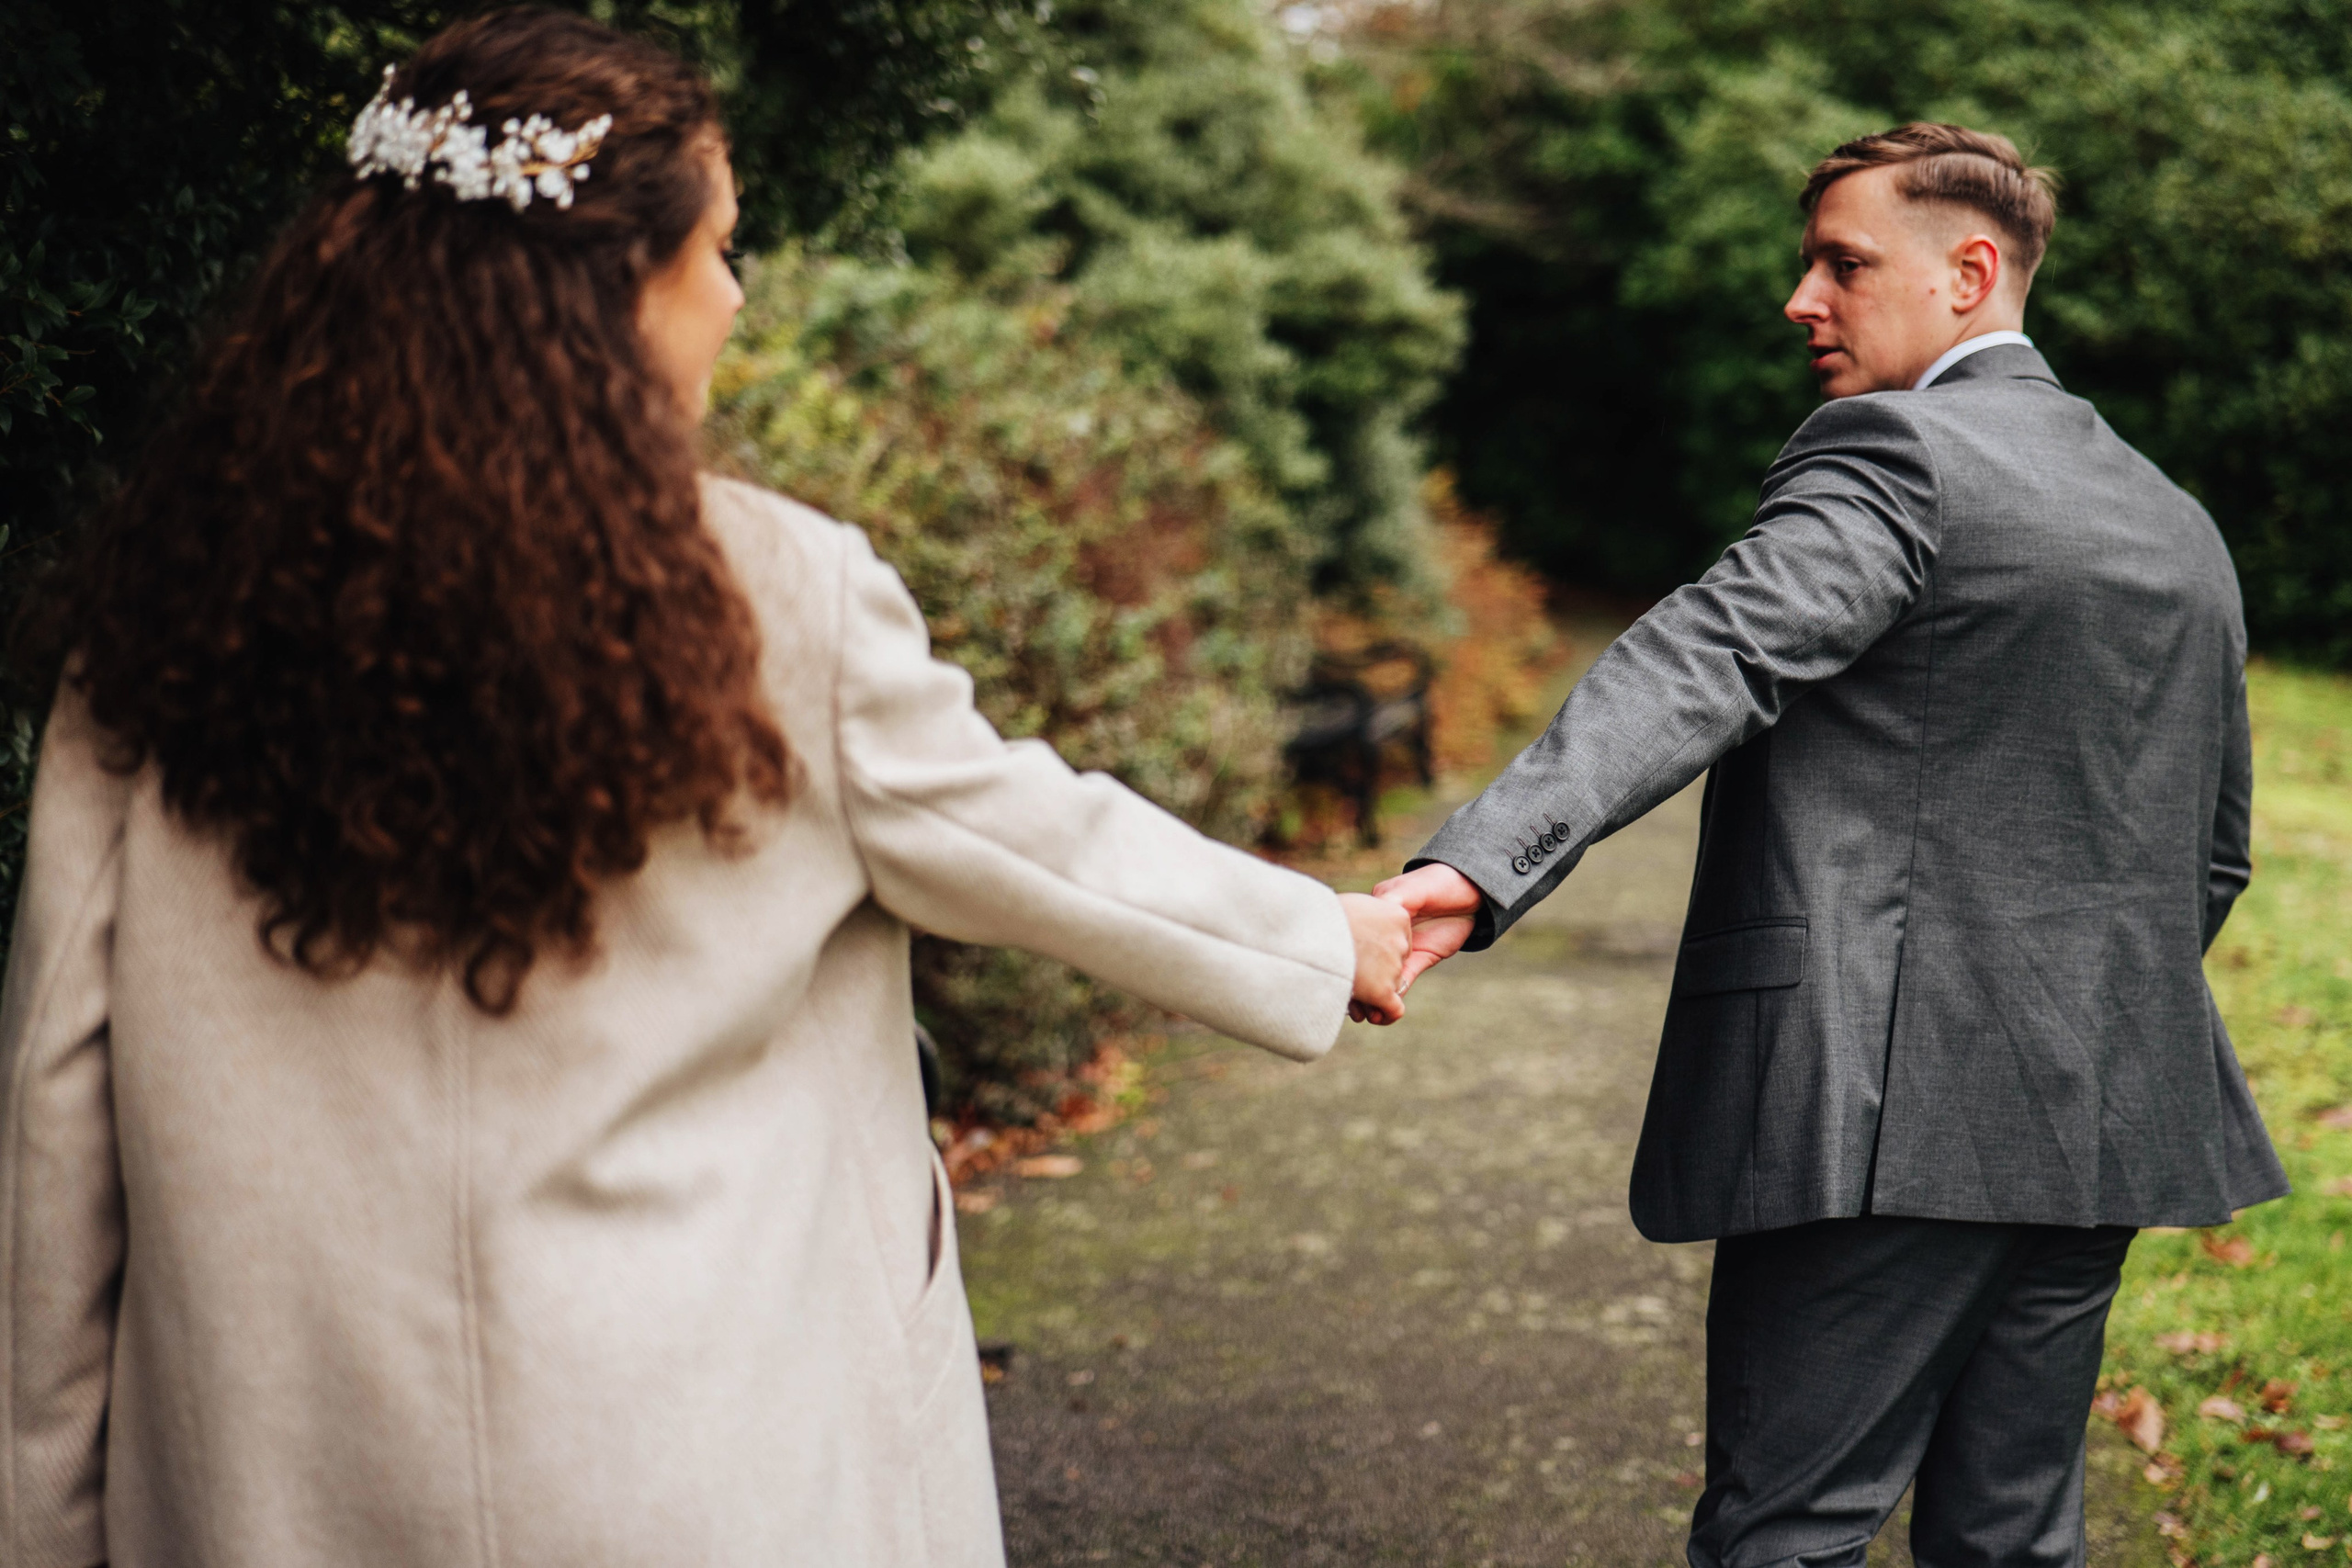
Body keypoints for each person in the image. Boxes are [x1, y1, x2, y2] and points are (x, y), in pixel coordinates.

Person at [0, 10, 1412, 1565]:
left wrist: (50, 1519)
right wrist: (1315, 939)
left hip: (272, 1487)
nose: (736, 298)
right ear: (617, 284)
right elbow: (1029, 836)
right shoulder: (771, 599)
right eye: (725, 251)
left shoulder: (161, 623)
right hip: (693, 1465)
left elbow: (53, 1123)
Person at [1374, 123, 2287, 1566]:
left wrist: (1475, 866)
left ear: (1970, 274)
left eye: (1843, 263)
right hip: (2104, 1107)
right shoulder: (2176, 522)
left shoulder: (1895, 450)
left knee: (1787, 1534)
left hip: (1886, 1120)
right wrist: (2067, 1014)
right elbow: (2212, 854)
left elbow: (1711, 652)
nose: (1802, 299)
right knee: (2013, 1541)